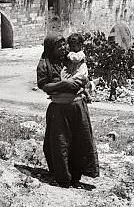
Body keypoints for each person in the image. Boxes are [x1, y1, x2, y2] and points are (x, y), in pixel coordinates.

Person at [36, 33, 100, 188]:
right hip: (59, 109)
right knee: (60, 144)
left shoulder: (70, 59)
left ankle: (76, 176)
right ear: (51, 48)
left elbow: (82, 71)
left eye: (64, 44)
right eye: (59, 46)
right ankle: (63, 178)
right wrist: (64, 84)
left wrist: (82, 82)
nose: (63, 48)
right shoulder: (45, 64)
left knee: (80, 142)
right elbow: (44, 86)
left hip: (77, 107)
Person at [61, 33, 93, 103]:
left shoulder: (80, 54)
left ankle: (87, 95)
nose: (72, 48)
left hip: (80, 72)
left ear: (80, 45)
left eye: (74, 46)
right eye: (71, 46)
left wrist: (69, 54)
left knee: (78, 81)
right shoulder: (73, 52)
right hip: (75, 71)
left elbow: (75, 59)